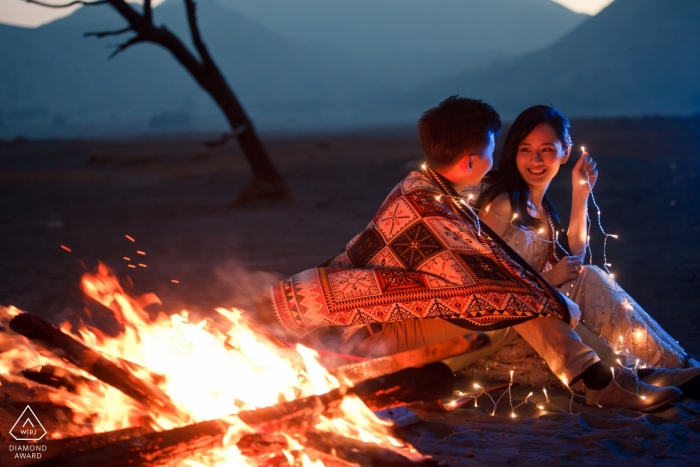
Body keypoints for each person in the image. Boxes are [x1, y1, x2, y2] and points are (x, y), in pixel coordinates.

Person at [256, 96, 682, 412]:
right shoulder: (429, 205)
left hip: (413, 319)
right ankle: (600, 379)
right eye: (496, 148)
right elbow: (487, 277)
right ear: (471, 160)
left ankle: (627, 372)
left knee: (514, 293)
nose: (498, 158)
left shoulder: (428, 193)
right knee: (509, 297)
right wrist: (549, 293)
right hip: (386, 336)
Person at [470, 105, 700, 394]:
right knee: (587, 281)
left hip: (540, 317)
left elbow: (575, 258)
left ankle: (673, 365)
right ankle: (661, 369)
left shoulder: (541, 210)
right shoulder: (503, 204)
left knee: (588, 276)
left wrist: (581, 194)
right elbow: (480, 278)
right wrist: (549, 280)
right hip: (511, 334)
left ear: (565, 153)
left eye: (547, 150)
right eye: (525, 150)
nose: (535, 160)